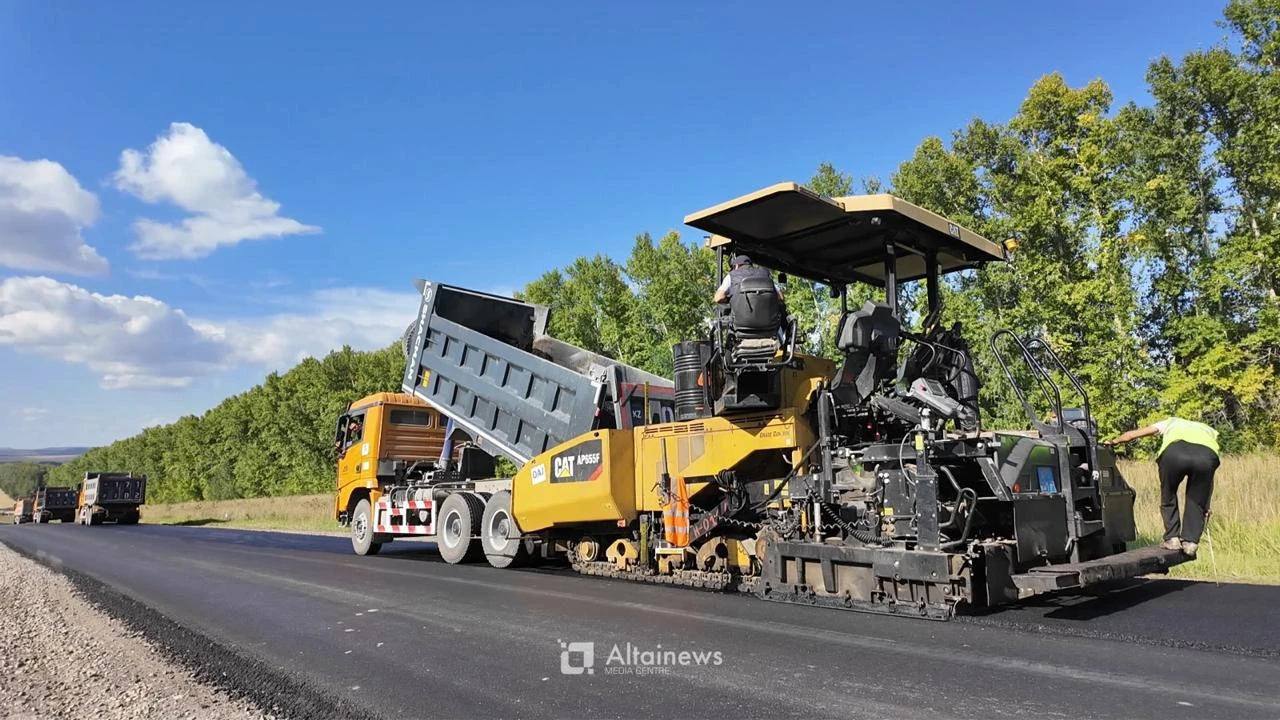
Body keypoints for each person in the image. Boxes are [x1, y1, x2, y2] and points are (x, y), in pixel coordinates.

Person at [1104, 416, 1220, 558]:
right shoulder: (1209, 430)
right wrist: (1206, 503)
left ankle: (1172, 538)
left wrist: (1114, 441)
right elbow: (1208, 481)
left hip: (1174, 454)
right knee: (1197, 499)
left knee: (1169, 493)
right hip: (1206, 457)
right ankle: (1191, 543)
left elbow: (1132, 435)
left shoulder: (1171, 422)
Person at [713, 254, 785, 304]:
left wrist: (730, 299)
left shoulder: (731, 275)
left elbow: (718, 298)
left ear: (736, 266)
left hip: (739, 321)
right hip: (768, 322)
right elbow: (781, 297)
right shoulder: (766, 274)